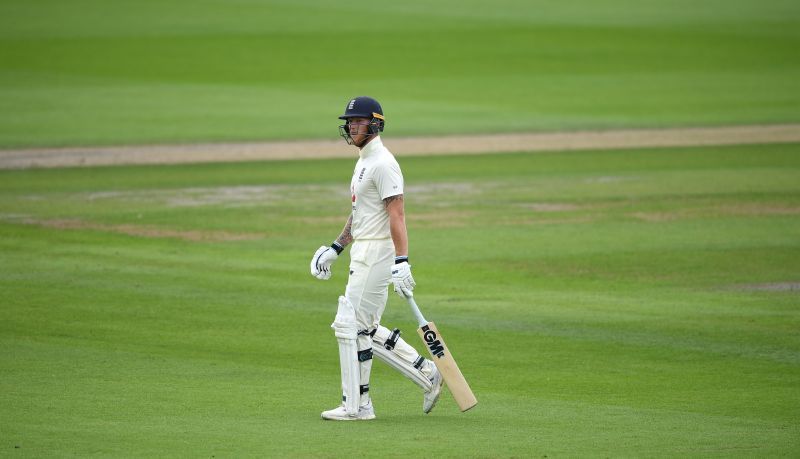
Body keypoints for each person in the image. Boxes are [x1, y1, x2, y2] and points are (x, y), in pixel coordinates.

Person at [309, 96, 443, 421]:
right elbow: (360, 214)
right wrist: (336, 247)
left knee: (350, 325)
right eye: (350, 122)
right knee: (363, 328)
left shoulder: (383, 162)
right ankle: (426, 372)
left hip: (379, 252)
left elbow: (396, 215)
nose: (352, 126)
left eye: (358, 121)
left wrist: (402, 261)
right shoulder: (363, 161)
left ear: (375, 123)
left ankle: (357, 405)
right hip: (362, 250)